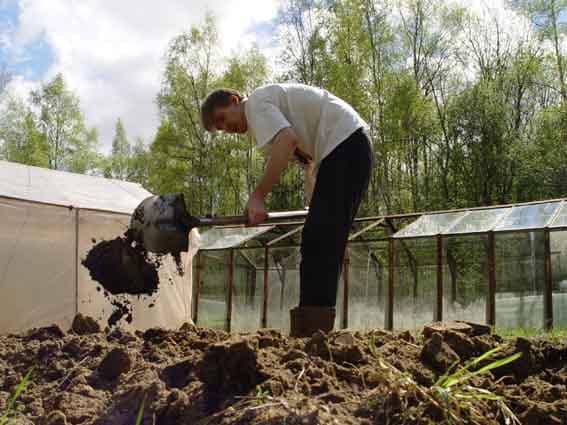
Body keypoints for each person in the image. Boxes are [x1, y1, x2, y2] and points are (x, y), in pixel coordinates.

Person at [200, 83, 372, 337]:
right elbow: (308, 161)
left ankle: (312, 335)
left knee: (319, 243)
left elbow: (288, 140)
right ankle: (313, 332)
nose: (227, 129)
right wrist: (314, 202)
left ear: (235, 100)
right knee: (320, 240)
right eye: (221, 129)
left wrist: (258, 196)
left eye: (222, 119)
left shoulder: (256, 103)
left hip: (346, 145)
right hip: (346, 148)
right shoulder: (271, 109)